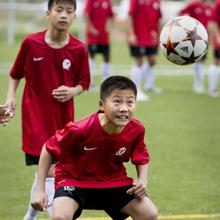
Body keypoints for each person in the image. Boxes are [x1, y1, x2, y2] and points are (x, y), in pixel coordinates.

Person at [0, 0, 90, 219]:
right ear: (48, 13)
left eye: (69, 11)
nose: (63, 15)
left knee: (50, 170)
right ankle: (54, 214)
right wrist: (10, 98)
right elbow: (15, 73)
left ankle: (30, 215)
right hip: (35, 118)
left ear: (74, 17)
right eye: (59, 10)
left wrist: (72, 91)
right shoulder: (31, 42)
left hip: (63, 119)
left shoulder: (79, 49)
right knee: (50, 170)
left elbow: (84, 83)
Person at [31, 75, 158, 220]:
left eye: (130, 102)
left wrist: (143, 180)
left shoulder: (137, 129)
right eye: (117, 101)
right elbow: (48, 149)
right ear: (101, 105)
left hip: (113, 181)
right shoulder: (79, 129)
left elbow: (141, 156)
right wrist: (40, 190)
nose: (124, 108)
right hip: (74, 181)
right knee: (60, 217)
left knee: (149, 213)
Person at [127, 0, 162, 101]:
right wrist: (132, 33)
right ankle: (134, 91)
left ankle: (149, 85)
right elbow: (130, 16)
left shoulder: (156, 1)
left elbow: (158, 18)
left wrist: (158, 33)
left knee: (152, 60)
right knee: (139, 63)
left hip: (151, 37)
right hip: (139, 36)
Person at [178, 0, 214, 94]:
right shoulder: (194, 4)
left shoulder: (209, 8)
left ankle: (198, 84)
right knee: (198, 61)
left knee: (201, 61)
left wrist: (209, 37)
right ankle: (198, 85)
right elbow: (181, 13)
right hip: (192, 38)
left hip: (204, 39)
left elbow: (210, 24)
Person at [84, 0, 114, 89]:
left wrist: (109, 27)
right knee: (91, 56)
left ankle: (106, 81)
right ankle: (89, 81)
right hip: (93, 36)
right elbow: (86, 15)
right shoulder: (91, 1)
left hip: (104, 36)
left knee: (107, 56)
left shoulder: (107, 1)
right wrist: (91, 28)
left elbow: (111, 15)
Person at [208, 0, 220, 97]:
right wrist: (217, 35)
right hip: (219, 38)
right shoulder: (218, 3)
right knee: (216, 61)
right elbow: (213, 21)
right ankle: (212, 88)